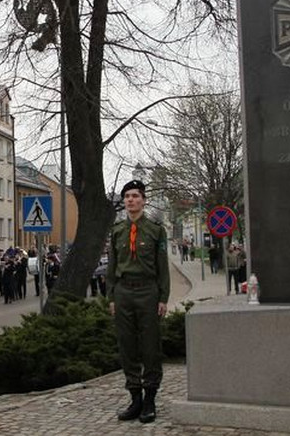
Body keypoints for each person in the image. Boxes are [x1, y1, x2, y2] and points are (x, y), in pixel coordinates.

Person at [107, 179, 170, 424]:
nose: (131, 200)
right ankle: (135, 398)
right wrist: (111, 296)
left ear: (143, 200)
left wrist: (163, 297)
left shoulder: (156, 229)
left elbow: (163, 267)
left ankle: (150, 398)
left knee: (150, 346)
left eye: (135, 196)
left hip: (148, 291)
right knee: (127, 346)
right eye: (127, 197)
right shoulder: (117, 231)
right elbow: (112, 267)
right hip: (123, 292)